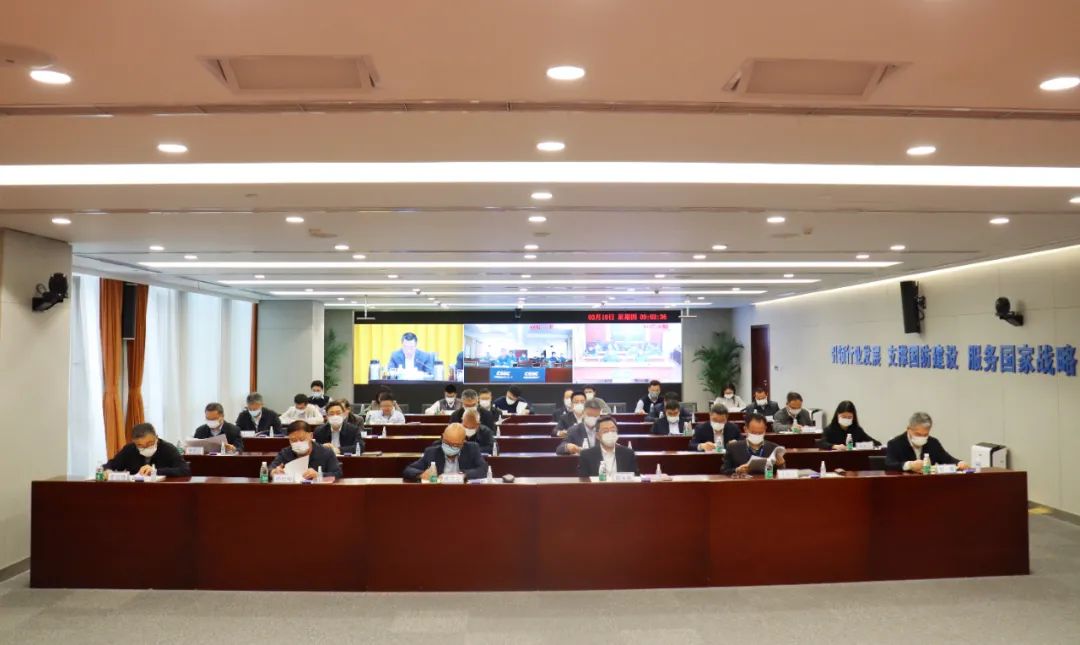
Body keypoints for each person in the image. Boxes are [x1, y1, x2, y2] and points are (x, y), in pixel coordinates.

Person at [403, 423, 489, 481]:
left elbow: (484, 469)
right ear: (443, 437)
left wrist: (464, 475)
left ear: (463, 443)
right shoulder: (431, 452)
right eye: (446, 442)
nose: (449, 447)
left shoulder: (472, 449)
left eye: (455, 445)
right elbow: (408, 470)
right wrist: (421, 475)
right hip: (439, 493)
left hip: (464, 493)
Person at [885, 412, 967, 472]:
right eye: (918, 434)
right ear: (908, 429)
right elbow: (889, 465)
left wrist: (959, 463)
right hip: (904, 484)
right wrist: (909, 465)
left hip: (928, 484)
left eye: (925, 434)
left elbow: (947, 459)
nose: (922, 437)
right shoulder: (895, 443)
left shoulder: (933, 443)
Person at [104, 422, 190, 477]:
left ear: (156, 437)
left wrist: (156, 471)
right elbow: (111, 464)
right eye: (140, 445)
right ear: (134, 442)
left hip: (163, 490)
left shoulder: (168, 449)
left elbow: (185, 470)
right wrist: (107, 470)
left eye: (150, 443)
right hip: (135, 491)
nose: (145, 447)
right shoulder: (129, 449)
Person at [270, 420, 343, 480]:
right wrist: (273, 472)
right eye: (293, 440)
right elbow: (270, 468)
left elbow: (337, 473)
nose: (298, 443)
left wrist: (319, 475)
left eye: (302, 439)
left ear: (311, 436)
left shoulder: (326, 452)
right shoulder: (285, 453)